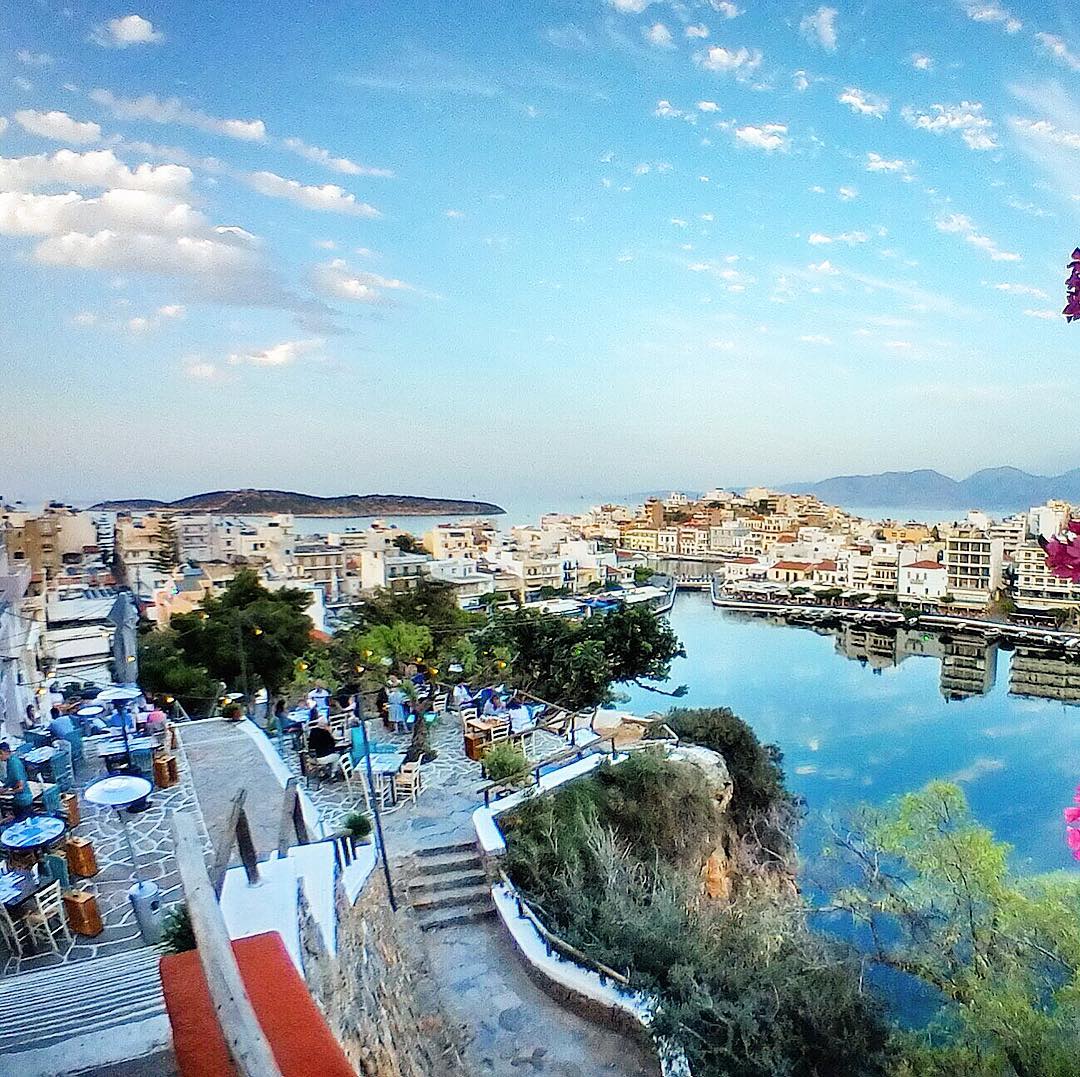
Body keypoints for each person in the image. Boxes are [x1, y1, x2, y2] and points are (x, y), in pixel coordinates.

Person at [0, 742, 34, 820]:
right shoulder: (10, 761)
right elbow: (11, 780)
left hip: (23, 801)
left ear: (5, 752)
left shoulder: (14, 763)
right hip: (18, 800)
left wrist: (6, 792)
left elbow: (20, 787)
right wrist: (5, 788)